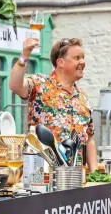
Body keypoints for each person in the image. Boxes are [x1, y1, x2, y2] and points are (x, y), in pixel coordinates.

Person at [9, 37, 98, 171]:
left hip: (74, 178)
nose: (83, 62)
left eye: (83, 57)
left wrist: (95, 174)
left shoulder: (82, 97)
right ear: (60, 62)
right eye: (77, 58)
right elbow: (15, 85)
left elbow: (89, 139)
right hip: (41, 176)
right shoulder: (40, 84)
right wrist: (24, 56)